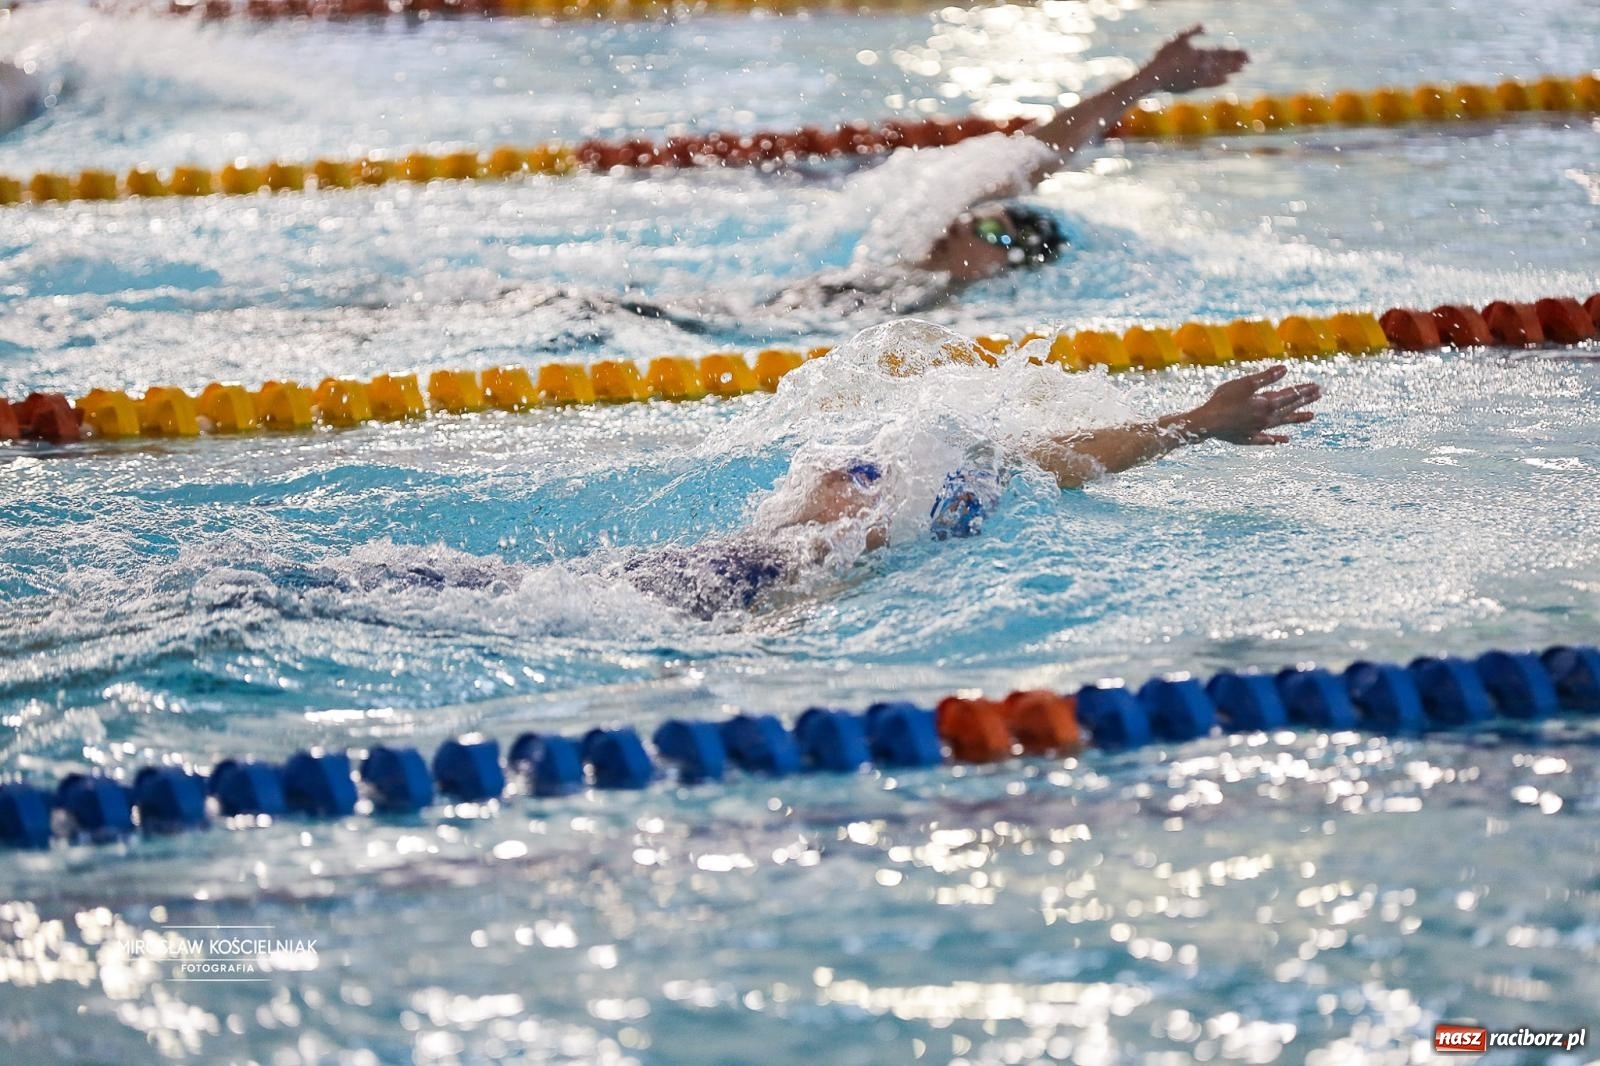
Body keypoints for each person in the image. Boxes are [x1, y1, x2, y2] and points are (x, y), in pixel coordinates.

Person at [626, 24, 1250, 326]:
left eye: (996, 233)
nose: (970, 221)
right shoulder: (907, 254)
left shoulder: (932, 306)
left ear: (1004, 269)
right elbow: (1029, 160)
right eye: (981, 215)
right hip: (725, 308)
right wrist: (1145, 82)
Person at [621, 361, 1319, 618]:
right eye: (859, 465)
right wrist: (1192, 422)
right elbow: (1047, 461)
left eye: (866, 474)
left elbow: (1040, 464)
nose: (831, 471)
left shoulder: (817, 572)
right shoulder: (797, 556)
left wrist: (1194, 425)